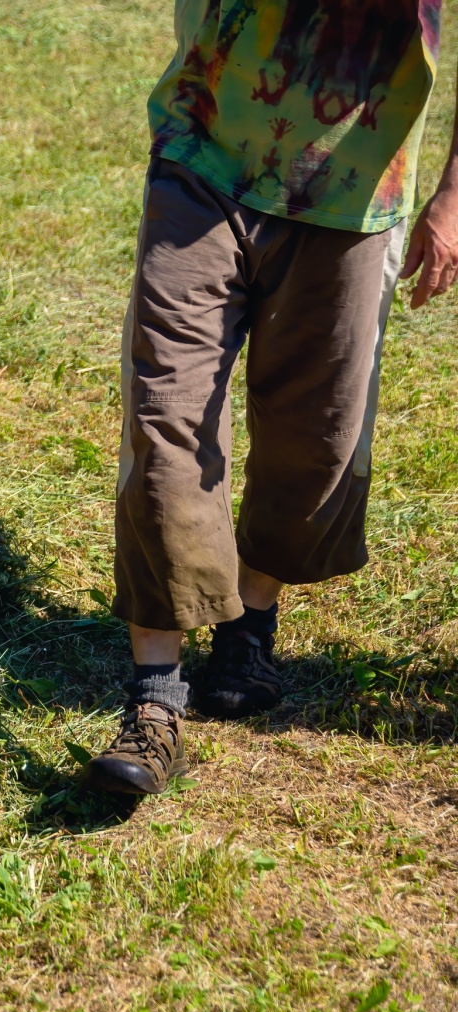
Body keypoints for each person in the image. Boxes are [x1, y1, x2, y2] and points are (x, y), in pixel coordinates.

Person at [86, 1, 456, 795]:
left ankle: (250, 622)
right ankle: (155, 697)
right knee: (164, 420)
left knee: (317, 442)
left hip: (355, 195)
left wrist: (453, 198)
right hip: (204, 154)